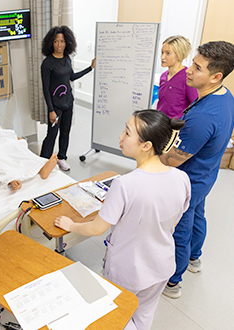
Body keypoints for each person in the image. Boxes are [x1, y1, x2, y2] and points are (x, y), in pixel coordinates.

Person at [55, 110, 190, 330]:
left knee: (119, 317)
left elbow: (97, 228)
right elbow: (173, 221)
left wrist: (71, 225)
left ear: (146, 145)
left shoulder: (125, 185)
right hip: (162, 265)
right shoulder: (181, 178)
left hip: (130, 271)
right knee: (144, 315)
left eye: (127, 133)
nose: (120, 137)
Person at [160, 41, 234, 299]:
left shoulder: (203, 117)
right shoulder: (225, 96)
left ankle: (173, 281)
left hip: (188, 182)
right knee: (198, 216)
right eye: (192, 62)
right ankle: (195, 259)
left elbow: (171, 161)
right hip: (206, 175)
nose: (189, 70)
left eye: (197, 67)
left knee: (181, 227)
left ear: (216, 76)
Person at [39, 25, 95, 171]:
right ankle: (42, 162)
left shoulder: (67, 59)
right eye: (56, 41)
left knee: (65, 132)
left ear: (67, 43)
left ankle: (62, 158)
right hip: (55, 106)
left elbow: (71, 77)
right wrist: (51, 110)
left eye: (62, 41)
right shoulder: (47, 63)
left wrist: (90, 68)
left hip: (68, 103)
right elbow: (46, 89)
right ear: (51, 43)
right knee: (51, 135)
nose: (59, 45)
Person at [157, 35, 198, 119]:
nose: (162, 57)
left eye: (168, 53)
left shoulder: (188, 78)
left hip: (175, 126)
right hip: (160, 123)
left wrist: (179, 120)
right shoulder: (163, 76)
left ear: (179, 55)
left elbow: (195, 105)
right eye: (162, 52)